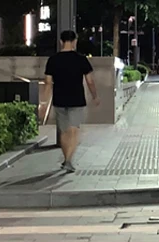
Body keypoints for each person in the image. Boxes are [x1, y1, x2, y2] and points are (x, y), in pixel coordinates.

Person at [40, 30, 99, 173]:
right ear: (75, 41)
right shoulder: (81, 59)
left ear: (61, 42)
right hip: (77, 99)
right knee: (74, 130)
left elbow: (48, 83)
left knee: (64, 132)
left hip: (59, 100)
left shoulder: (53, 60)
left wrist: (43, 102)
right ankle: (68, 160)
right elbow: (90, 81)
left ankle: (67, 159)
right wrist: (95, 96)